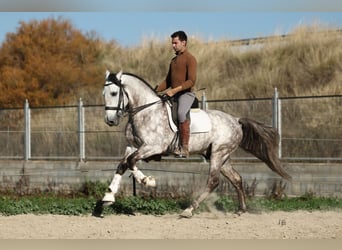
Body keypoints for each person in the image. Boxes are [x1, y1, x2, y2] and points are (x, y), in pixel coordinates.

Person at [155, 30, 197, 158]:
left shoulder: (190, 59)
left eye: (175, 43)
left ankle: (184, 147)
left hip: (186, 95)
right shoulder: (173, 61)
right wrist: (155, 90)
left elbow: (191, 81)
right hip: (174, 95)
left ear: (184, 42)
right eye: (172, 43)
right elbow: (167, 81)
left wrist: (174, 90)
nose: (173, 45)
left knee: (180, 113)